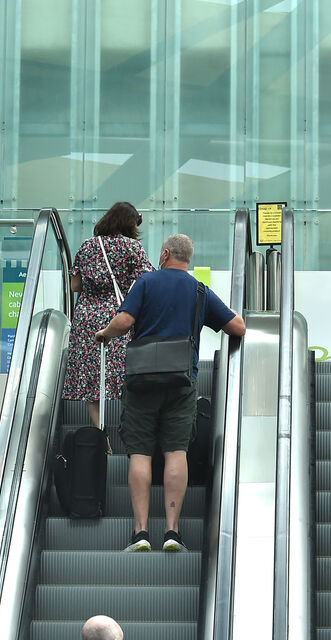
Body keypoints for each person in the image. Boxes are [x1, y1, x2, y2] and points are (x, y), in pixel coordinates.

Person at [96, 233, 245, 552]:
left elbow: (124, 321)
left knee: (140, 453)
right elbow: (238, 327)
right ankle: (172, 532)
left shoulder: (145, 283)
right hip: (181, 380)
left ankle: (140, 533)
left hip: (141, 381)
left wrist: (104, 334)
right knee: (176, 452)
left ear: (164, 254)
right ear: (188, 258)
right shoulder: (199, 290)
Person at [64, 202, 155, 430]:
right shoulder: (132, 247)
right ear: (129, 224)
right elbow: (147, 281)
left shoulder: (87, 246)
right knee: (124, 373)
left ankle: (100, 432)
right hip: (118, 315)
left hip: (86, 319)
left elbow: (75, 286)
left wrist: (96, 284)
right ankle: (129, 428)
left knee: (91, 375)